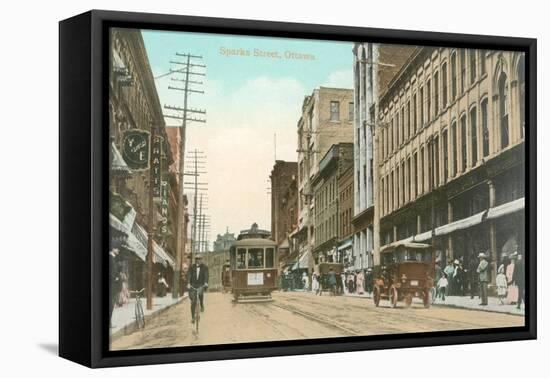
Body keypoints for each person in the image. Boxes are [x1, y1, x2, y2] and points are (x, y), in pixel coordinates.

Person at [187, 255, 209, 324]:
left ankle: (202, 304)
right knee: (193, 301)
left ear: (201, 260)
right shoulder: (191, 267)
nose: (198, 260)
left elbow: (206, 275)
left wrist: (205, 283)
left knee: (200, 294)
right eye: (196, 259)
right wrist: (188, 283)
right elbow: (189, 275)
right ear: (195, 260)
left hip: (200, 284)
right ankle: (193, 317)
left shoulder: (205, 267)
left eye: (199, 259)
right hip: (193, 284)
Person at [109, 248, 122, 326]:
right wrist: (115, 278)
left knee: (112, 303)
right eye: (117, 248)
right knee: (111, 303)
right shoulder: (111, 258)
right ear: (113, 248)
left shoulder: (112, 258)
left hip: (113, 284)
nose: (118, 250)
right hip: (112, 284)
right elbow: (111, 271)